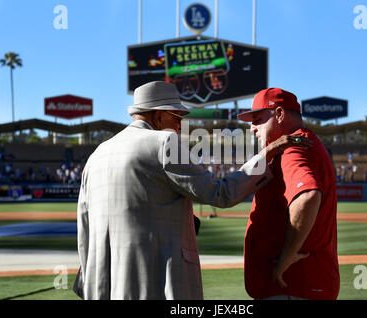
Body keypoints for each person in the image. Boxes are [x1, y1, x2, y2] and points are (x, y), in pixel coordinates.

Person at [73, 81, 310, 300]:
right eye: (177, 117)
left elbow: (84, 231)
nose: (179, 125)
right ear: (158, 116)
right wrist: (266, 154)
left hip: (102, 287)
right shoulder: (163, 142)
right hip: (153, 285)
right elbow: (221, 193)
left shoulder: (97, 155)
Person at [238, 87, 339, 300]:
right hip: (301, 286)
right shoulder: (298, 143)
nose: (252, 128)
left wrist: (287, 256)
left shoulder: (293, 148)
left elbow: (307, 196)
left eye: (257, 120)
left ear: (280, 114)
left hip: (292, 287)